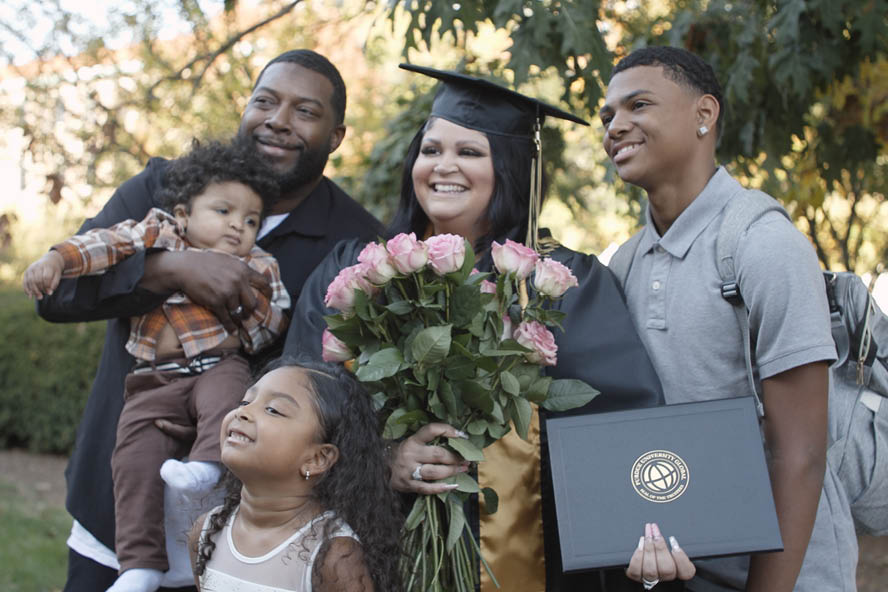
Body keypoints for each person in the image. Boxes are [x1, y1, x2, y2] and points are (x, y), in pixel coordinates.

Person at [283, 64, 693, 591]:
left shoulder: (561, 283)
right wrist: (383, 461)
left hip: (531, 555)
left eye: (470, 152)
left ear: (511, 169)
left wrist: (652, 532)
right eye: (431, 150)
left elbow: (621, 427)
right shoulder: (358, 273)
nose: (443, 166)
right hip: (375, 548)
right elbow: (299, 405)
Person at [36, 49, 384, 592]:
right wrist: (170, 268)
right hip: (115, 500)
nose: (278, 120)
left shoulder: (354, 240)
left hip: (246, 538)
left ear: (336, 136)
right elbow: (55, 294)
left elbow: (343, 390)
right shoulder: (162, 188)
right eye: (264, 101)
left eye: (304, 111)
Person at [604, 47, 853, 591]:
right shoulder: (624, 263)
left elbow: (801, 453)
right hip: (687, 570)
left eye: (638, 105)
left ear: (704, 114)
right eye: (608, 116)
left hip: (787, 576)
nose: (615, 127)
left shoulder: (764, 246)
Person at [24, 139, 291, 592]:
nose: (237, 226)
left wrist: (247, 308)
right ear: (183, 214)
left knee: (228, 398)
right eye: (223, 211)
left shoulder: (258, 264)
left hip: (218, 365)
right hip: (154, 378)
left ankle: (207, 467)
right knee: (131, 458)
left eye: (251, 221)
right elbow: (104, 244)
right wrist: (56, 259)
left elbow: (273, 326)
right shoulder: (158, 234)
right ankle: (139, 565)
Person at [187, 357, 402, 592]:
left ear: (317, 458)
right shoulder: (206, 532)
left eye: (273, 410)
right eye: (245, 401)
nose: (243, 412)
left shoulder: (333, 557)